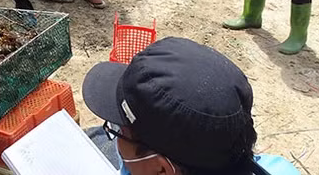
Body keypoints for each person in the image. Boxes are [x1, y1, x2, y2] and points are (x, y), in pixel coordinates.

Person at [83, 37, 301, 175]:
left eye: (119, 131)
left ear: (162, 169)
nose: (115, 134)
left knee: (94, 139)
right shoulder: (279, 169)